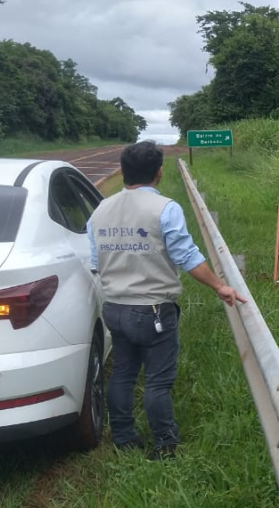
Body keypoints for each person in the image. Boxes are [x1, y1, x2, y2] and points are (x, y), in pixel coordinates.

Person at [88, 141, 247, 460]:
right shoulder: (165, 209)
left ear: (123, 172)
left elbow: (95, 262)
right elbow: (187, 257)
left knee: (122, 374)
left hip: (115, 308)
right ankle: (165, 444)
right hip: (153, 310)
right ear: (159, 173)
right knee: (158, 382)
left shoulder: (100, 210)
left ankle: (123, 438)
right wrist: (220, 286)